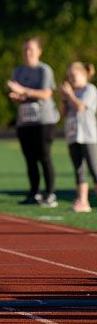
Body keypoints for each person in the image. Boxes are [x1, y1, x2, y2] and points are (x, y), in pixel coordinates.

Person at [7, 37, 60, 207]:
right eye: (25, 50)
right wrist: (18, 97)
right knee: (29, 158)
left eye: (31, 49)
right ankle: (34, 193)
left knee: (44, 156)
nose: (27, 53)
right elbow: (21, 95)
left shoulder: (44, 70)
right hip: (25, 121)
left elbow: (46, 94)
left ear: (39, 51)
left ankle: (50, 194)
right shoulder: (18, 71)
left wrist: (24, 91)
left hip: (44, 121)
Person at [59, 62, 97, 213]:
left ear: (83, 74)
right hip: (73, 135)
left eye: (73, 75)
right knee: (79, 169)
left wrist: (70, 95)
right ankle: (83, 201)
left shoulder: (90, 89)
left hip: (88, 136)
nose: (71, 79)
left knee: (95, 170)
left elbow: (81, 107)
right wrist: (63, 98)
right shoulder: (73, 92)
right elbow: (64, 112)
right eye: (69, 76)